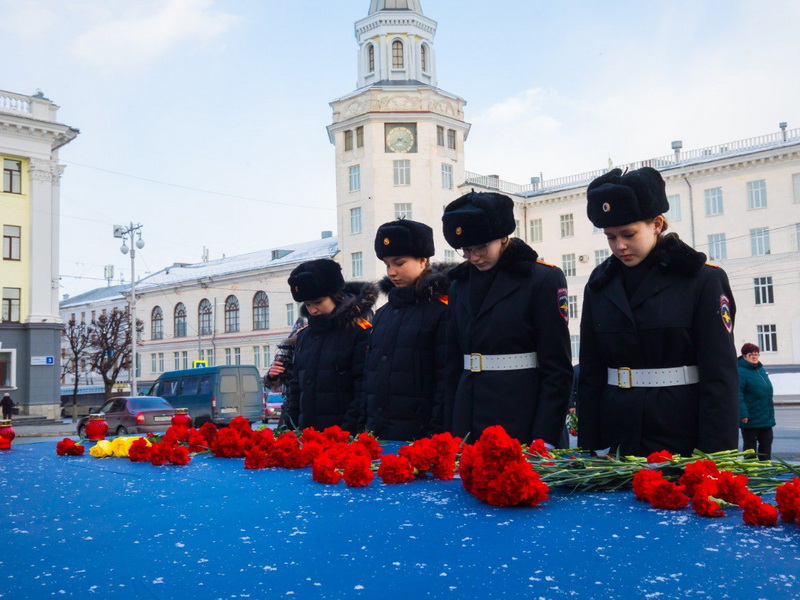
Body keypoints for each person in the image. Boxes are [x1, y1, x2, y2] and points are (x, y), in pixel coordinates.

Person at [578, 167, 739, 456]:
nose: (620, 246)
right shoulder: (599, 284)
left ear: (657, 223)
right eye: (610, 237)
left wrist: (715, 458)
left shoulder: (701, 280)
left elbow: (721, 377)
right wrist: (590, 448)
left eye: (628, 234)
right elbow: (590, 375)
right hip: (616, 438)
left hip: (679, 436)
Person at [442, 191, 573, 446]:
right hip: (468, 418)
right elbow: (452, 365)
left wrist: (544, 438)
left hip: (521, 416)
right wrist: (450, 432)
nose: (474, 257)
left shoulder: (542, 279)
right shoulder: (458, 285)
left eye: (480, 247)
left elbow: (557, 368)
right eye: (465, 250)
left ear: (503, 236)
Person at [363, 219, 452, 441]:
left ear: (423, 261)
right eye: (387, 264)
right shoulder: (382, 314)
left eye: (399, 263)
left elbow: (446, 378)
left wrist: (436, 433)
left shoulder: (442, 310)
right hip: (380, 431)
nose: (391, 272)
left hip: (421, 435)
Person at [283, 258, 377, 434]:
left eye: (318, 302)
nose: (313, 311)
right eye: (308, 304)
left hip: (342, 436)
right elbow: (296, 386)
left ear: (337, 296)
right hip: (308, 434)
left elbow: (362, 388)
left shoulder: (359, 332)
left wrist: (347, 431)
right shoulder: (304, 335)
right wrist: (292, 425)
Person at [738, 342, 775, 461]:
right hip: (750, 416)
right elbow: (738, 395)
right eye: (750, 354)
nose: (754, 357)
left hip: (765, 415)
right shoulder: (741, 371)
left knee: (767, 442)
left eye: (756, 354)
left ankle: (765, 467)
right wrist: (743, 413)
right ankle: (751, 470)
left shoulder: (760, 369)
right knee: (750, 446)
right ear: (744, 356)